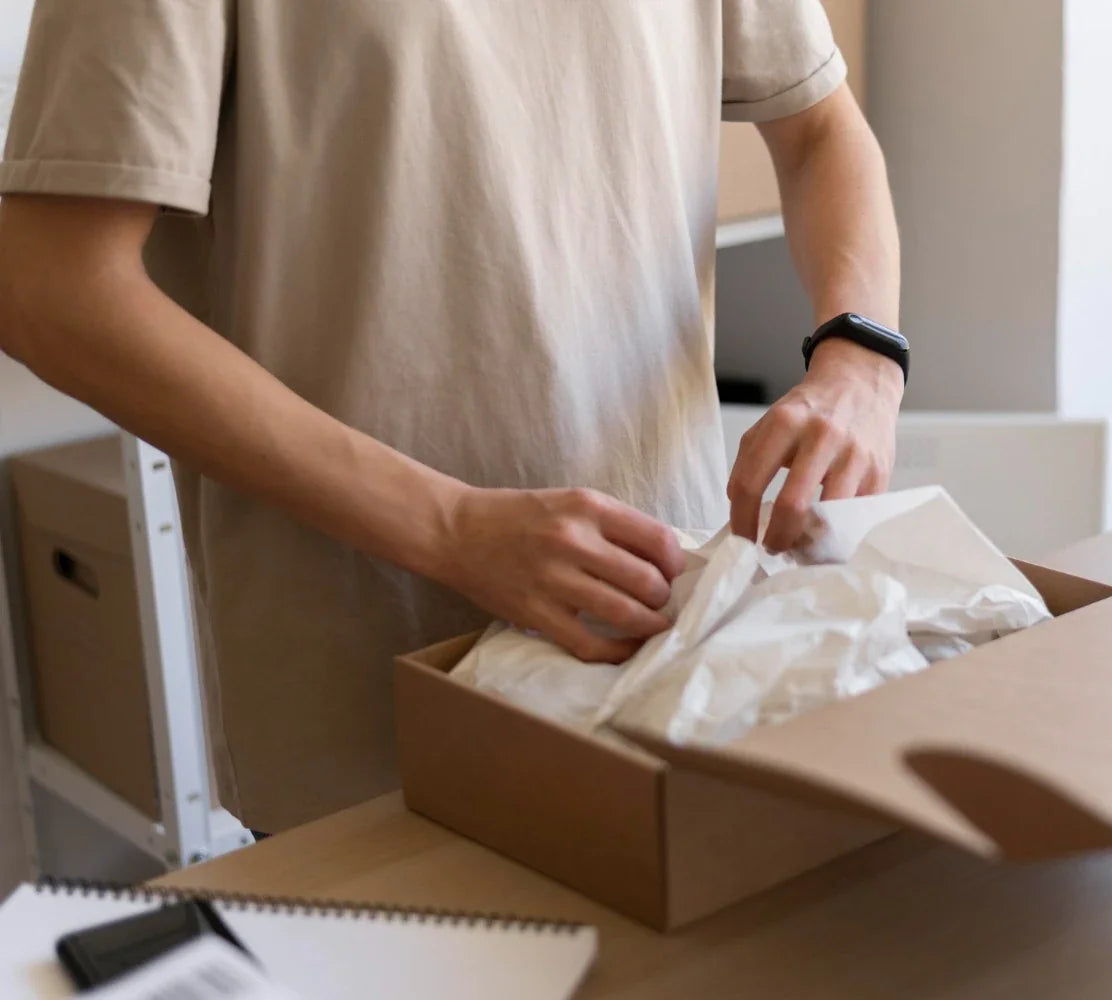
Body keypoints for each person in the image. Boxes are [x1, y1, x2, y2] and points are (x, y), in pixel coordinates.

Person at [0, 1, 903, 834]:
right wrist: (452, 527)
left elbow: (822, 128)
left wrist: (862, 356)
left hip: (683, 630)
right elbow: (51, 288)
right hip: (371, 705)